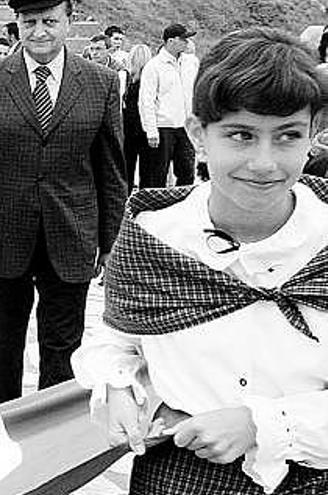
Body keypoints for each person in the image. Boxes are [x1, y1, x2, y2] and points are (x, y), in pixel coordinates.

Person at [72, 27, 328, 495]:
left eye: (288, 136)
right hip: (179, 477)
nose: (264, 162)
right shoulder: (155, 237)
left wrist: (265, 424)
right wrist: (118, 388)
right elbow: (115, 340)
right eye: (241, 135)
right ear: (198, 134)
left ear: (314, 135)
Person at [0, 0, 125, 405]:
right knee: (4, 348)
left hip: (72, 235)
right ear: (17, 24)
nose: (39, 31)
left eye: (49, 22)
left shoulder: (102, 83)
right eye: (30, 22)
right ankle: (1, 431)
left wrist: (112, 244)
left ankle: (51, 446)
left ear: (68, 23)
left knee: (62, 350)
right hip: (3, 236)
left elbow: (111, 173)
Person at [138, 23, 198, 188]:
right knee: (158, 173)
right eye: (183, 39)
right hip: (163, 126)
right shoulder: (154, 66)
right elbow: (146, 100)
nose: (187, 43)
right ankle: (155, 210)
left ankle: (182, 208)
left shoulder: (191, 62)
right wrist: (151, 130)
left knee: (187, 172)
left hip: (186, 126)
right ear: (171, 41)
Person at [121, 44, 156, 193]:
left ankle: (126, 200)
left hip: (128, 128)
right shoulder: (148, 80)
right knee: (147, 170)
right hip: (145, 127)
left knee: (127, 168)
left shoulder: (128, 79)